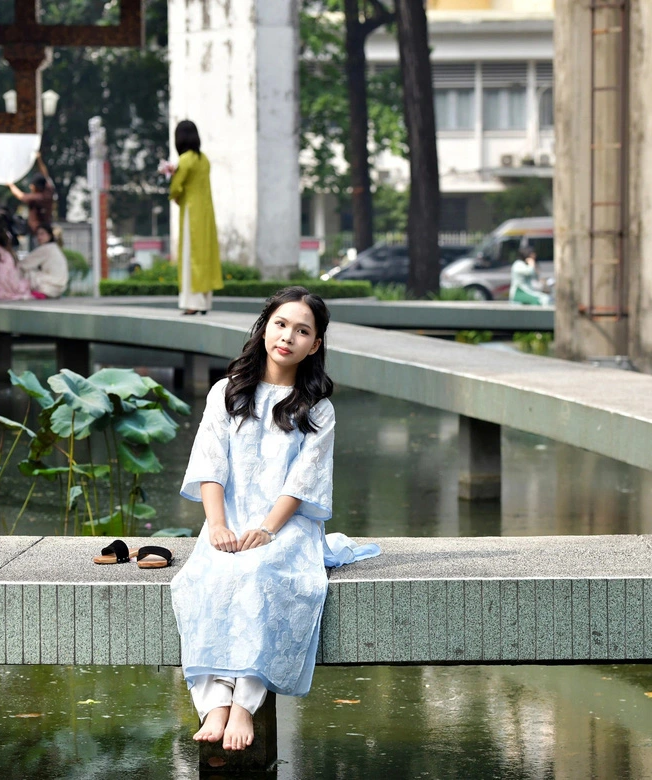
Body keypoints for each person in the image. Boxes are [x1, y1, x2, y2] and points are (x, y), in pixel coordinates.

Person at [170, 287, 379, 751]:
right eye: (281, 324)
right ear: (265, 326)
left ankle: (244, 702)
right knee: (201, 578)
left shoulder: (318, 410)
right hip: (229, 516)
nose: (288, 337)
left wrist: (266, 529)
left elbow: (302, 485)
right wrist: (218, 525)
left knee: (263, 572)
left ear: (316, 344)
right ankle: (214, 705)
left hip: (288, 524)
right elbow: (210, 464)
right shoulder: (227, 393)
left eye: (302, 330)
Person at [162, 120, 222, 315]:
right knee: (205, 256)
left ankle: (193, 304)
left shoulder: (185, 160)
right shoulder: (203, 159)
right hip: (206, 212)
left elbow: (177, 187)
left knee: (190, 256)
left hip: (191, 213)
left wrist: (171, 176)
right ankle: (205, 302)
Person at [8, 152, 55, 247]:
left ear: (36, 187)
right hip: (47, 228)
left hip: (36, 232)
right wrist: (39, 159)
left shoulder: (36, 198)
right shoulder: (49, 191)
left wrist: (10, 184)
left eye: (32, 186)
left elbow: (20, 195)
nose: (30, 187)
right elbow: (45, 174)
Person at [18, 223, 69, 299]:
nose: (39, 237)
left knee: (25, 272)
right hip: (60, 287)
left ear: (49, 235)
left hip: (50, 285)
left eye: (42, 234)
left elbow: (24, 264)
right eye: (37, 235)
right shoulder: (54, 247)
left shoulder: (46, 248)